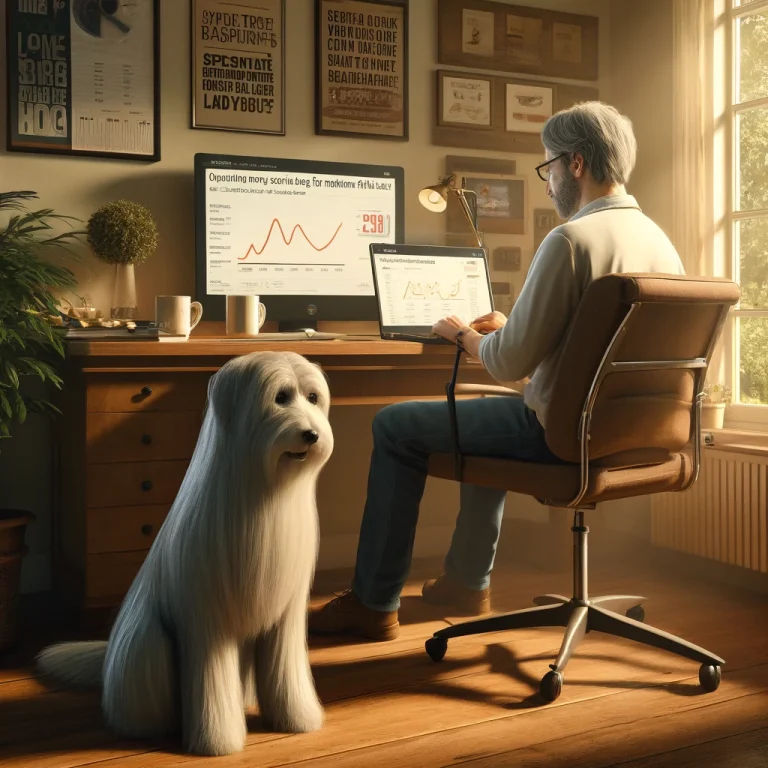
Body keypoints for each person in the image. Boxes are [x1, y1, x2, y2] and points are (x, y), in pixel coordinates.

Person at [308, 101, 685, 642]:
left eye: (549, 167)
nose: (548, 181)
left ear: (575, 164)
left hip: (560, 433)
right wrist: (510, 327)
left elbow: (507, 363)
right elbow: (591, 342)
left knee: (393, 426)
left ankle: (373, 603)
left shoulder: (571, 241)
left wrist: (462, 335)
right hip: (632, 436)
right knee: (486, 415)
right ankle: (466, 583)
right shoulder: (659, 243)